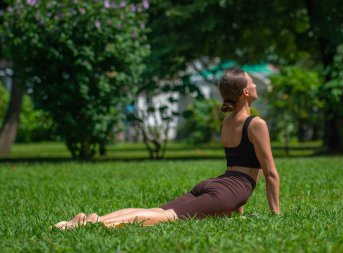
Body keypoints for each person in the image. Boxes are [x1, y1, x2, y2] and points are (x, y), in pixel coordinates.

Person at [54, 68, 280, 230]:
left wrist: (234, 209)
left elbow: (236, 166)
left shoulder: (227, 122)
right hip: (226, 191)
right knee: (167, 217)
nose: (255, 85)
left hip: (215, 184)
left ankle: (94, 218)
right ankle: (92, 225)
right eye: (252, 82)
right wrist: (275, 216)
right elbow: (269, 174)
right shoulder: (256, 124)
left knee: (158, 212)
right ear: (244, 92)